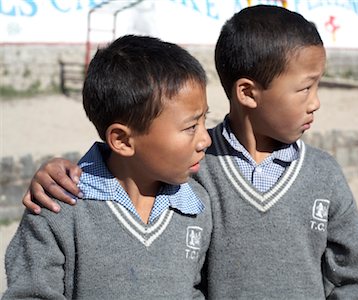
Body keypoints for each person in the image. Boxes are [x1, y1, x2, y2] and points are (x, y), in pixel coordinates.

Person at [21, 5, 358, 299]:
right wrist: (60, 171)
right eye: (305, 88)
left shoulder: (322, 174)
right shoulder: (193, 174)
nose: (316, 103)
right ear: (247, 92)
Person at [4, 35, 212, 299]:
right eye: (191, 127)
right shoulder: (58, 208)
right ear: (123, 140)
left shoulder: (197, 205)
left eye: (205, 119)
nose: (206, 139)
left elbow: (192, 290)